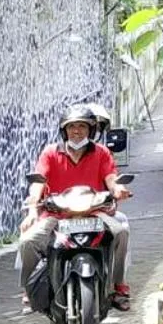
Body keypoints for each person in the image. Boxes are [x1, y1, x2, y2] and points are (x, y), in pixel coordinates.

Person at [19, 104, 133, 312]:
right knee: (28, 240)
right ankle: (28, 289)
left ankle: (118, 286)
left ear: (91, 130)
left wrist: (119, 189)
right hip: (57, 214)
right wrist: (33, 206)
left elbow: (111, 179)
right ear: (64, 130)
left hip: (94, 211)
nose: (77, 131)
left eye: (82, 126)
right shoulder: (50, 153)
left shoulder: (102, 153)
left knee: (121, 232)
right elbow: (38, 181)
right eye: (72, 127)